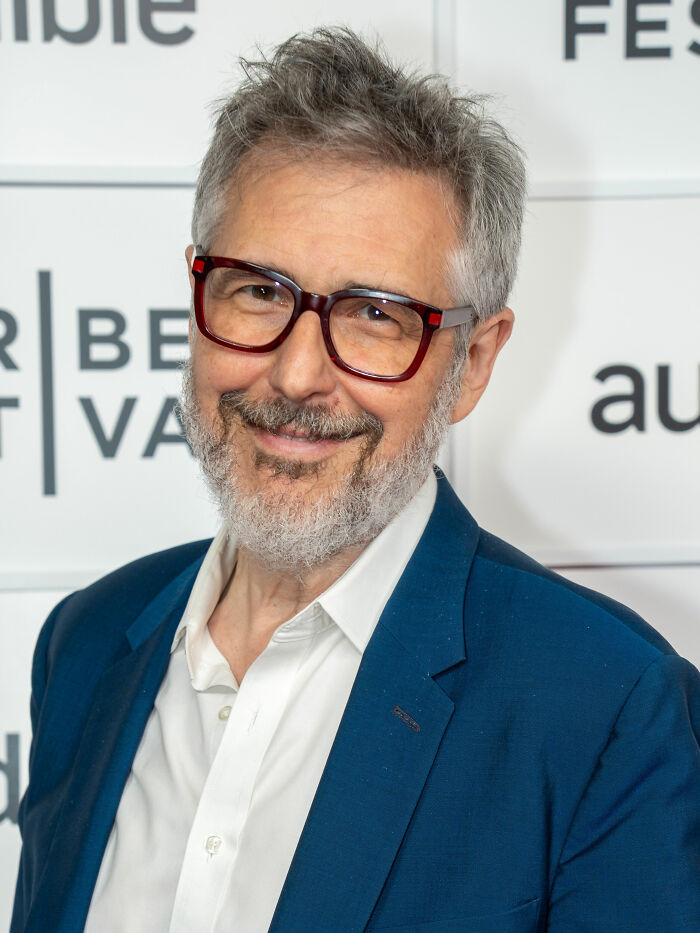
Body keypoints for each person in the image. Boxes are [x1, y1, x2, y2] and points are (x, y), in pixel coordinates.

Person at [11, 27, 700, 933]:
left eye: (376, 314)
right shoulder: (86, 643)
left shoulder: (610, 707)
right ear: (196, 300)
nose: (296, 375)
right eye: (258, 290)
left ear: (475, 361)